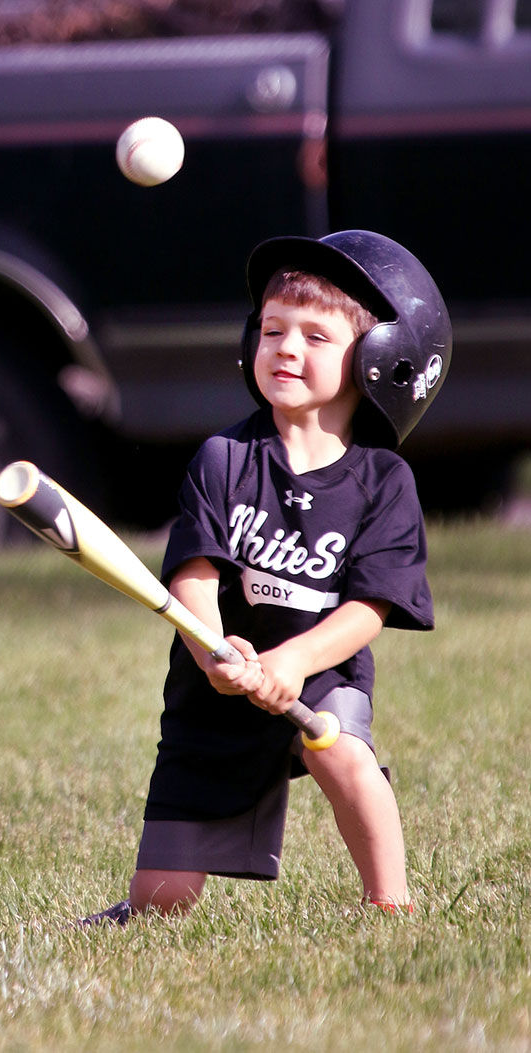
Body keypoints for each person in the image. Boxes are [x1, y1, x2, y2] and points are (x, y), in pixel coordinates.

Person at [80, 230, 451, 925]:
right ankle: (132, 907)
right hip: (217, 679)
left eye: (315, 336)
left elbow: (370, 606)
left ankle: (390, 902)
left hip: (320, 667)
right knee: (163, 902)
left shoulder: (383, 481)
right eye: (274, 329)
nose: (285, 347)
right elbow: (193, 574)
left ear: (377, 360)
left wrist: (293, 662)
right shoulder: (223, 459)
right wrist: (213, 652)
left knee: (339, 748)